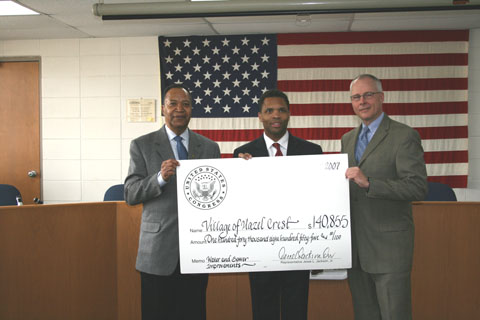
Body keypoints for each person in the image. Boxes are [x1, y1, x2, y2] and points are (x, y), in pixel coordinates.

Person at [124, 84, 221, 320]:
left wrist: (243, 167)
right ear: (163, 109)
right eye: (173, 104)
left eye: (185, 104)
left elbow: (221, 194)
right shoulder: (142, 145)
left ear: (192, 110)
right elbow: (131, 193)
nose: (180, 109)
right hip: (157, 252)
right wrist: (159, 178)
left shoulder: (209, 147)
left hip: (197, 250)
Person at [341, 74, 428, 320]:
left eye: (368, 95)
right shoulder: (347, 139)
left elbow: (417, 187)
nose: (363, 101)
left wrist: (370, 184)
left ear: (381, 97)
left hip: (389, 250)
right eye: (356, 97)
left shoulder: (404, 136)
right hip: (356, 251)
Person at [233, 89, 323, 320]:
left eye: (281, 110)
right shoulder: (242, 155)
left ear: (289, 114)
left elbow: (321, 200)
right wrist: (241, 172)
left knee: (296, 311)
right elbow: (237, 203)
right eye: (269, 111)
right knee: (264, 312)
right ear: (260, 116)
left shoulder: (312, 152)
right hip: (260, 251)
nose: (276, 115)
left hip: (300, 248)